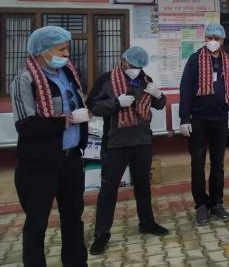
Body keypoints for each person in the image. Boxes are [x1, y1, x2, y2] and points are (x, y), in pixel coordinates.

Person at [10, 25, 88, 267]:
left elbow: (77, 102)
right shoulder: (25, 80)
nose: (66, 54)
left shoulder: (68, 73)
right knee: (37, 224)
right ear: (43, 51)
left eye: (67, 49)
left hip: (71, 160)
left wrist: (84, 115)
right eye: (61, 49)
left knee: (73, 219)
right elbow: (26, 125)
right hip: (40, 165)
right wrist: (66, 120)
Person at [87, 46, 168, 255]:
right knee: (108, 189)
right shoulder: (106, 80)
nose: (136, 69)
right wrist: (116, 103)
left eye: (139, 66)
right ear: (123, 61)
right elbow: (93, 106)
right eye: (133, 65)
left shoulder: (145, 80)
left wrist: (159, 95)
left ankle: (147, 222)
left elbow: (159, 105)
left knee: (143, 186)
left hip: (142, 141)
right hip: (115, 143)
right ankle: (101, 234)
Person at [179, 23, 229, 226]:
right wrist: (184, 118)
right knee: (197, 164)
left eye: (217, 38)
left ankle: (216, 203)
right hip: (198, 119)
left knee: (218, 165)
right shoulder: (195, 59)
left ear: (223, 40)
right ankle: (201, 206)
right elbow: (185, 89)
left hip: (220, 119)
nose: (213, 41)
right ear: (205, 38)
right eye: (210, 37)